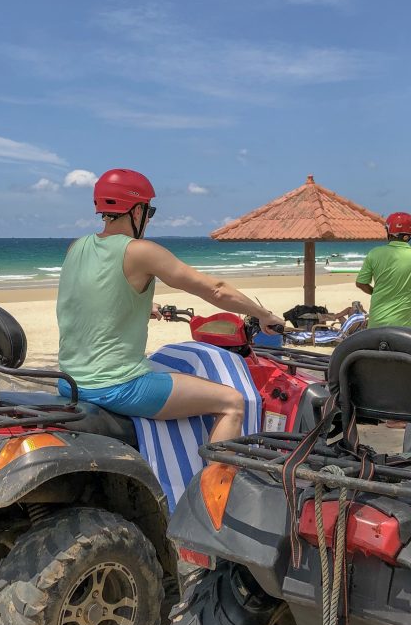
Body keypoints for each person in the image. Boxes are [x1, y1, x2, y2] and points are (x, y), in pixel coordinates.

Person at [56, 168, 286, 443]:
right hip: (117, 387)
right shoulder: (141, 251)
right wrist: (263, 315)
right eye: (149, 212)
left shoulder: (76, 247)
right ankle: (214, 485)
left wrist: (143, 305)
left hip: (70, 381)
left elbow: (90, 294)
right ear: (137, 211)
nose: (148, 219)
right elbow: (216, 289)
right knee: (232, 402)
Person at [355, 212, 411, 328]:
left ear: (389, 232)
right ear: (410, 234)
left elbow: (360, 283)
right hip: (404, 326)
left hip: (375, 324)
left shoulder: (374, 253)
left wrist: (375, 292)